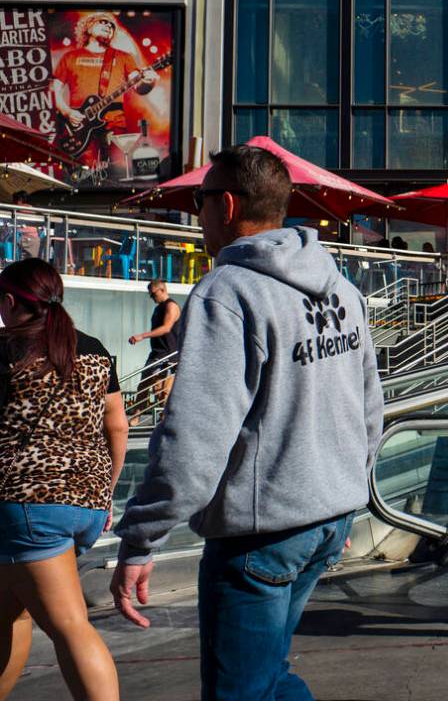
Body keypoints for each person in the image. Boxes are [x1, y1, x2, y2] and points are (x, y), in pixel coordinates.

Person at [109, 145, 385, 698]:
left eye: (199, 200)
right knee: (271, 677)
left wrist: (141, 537)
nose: (197, 213)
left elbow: (195, 434)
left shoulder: (228, 293)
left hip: (259, 536)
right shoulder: (342, 287)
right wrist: (343, 493)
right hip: (327, 518)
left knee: (242, 691)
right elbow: (368, 405)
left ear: (227, 205)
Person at [0, 258, 128, 700]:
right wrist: (106, 492)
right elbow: (117, 426)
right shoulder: (92, 349)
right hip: (84, 504)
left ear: (11, 301)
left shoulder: (6, 349)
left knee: (70, 626)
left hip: (27, 506)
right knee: (11, 612)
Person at [50, 12, 159, 168]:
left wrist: (150, 81)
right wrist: (67, 112)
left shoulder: (123, 57)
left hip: (115, 126)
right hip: (79, 128)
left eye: (112, 26)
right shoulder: (70, 57)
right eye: (103, 22)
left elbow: (138, 86)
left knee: (118, 172)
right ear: (88, 27)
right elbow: (54, 90)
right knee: (85, 175)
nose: (108, 26)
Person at [127, 278, 180, 426]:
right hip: (156, 353)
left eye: (153, 294)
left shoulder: (171, 306)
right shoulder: (158, 308)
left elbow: (166, 328)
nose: (152, 298)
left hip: (169, 355)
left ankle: (167, 420)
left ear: (162, 290)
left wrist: (142, 336)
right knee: (143, 386)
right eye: (150, 295)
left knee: (161, 391)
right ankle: (135, 419)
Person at [8, 191, 40, 262]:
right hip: (35, 238)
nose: (13, 202)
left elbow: (13, 223)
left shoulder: (19, 208)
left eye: (14, 200)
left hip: (25, 238)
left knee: (7, 241)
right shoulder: (32, 208)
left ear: (20, 200)